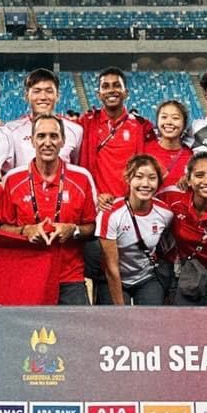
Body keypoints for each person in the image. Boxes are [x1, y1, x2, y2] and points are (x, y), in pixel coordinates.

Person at [0, 113, 98, 306]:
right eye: (41, 136)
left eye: (54, 136)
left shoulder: (82, 178)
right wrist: (25, 231)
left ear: (63, 141)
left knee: (78, 326)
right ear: (32, 140)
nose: (47, 142)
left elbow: (92, 228)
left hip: (69, 277)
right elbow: (2, 228)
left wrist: (73, 230)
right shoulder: (12, 179)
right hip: (27, 275)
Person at [78, 67, 156, 303]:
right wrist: (95, 195)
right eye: (105, 86)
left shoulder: (141, 126)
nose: (111, 90)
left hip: (131, 215)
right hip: (100, 214)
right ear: (98, 93)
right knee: (105, 283)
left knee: (138, 274)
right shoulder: (86, 123)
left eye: (116, 85)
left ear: (126, 92)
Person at [156, 151, 207, 307]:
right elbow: (143, 203)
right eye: (199, 175)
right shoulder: (172, 198)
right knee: (181, 318)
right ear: (188, 179)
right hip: (180, 268)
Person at [97, 155, 174, 305]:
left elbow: (166, 247)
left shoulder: (165, 213)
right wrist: (120, 309)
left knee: (151, 317)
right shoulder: (110, 214)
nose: (145, 184)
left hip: (147, 277)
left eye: (152, 178)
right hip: (115, 277)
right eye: (139, 177)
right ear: (128, 179)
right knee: (116, 318)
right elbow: (111, 267)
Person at [7, 69, 84, 168]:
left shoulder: (75, 130)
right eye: (37, 91)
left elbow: (75, 167)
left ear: (57, 96)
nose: (43, 97)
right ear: (26, 96)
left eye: (49, 91)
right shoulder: (11, 130)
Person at [143, 99, 193, 188]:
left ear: (184, 124)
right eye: (164, 117)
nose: (169, 122)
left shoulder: (192, 155)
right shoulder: (144, 150)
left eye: (175, 118)